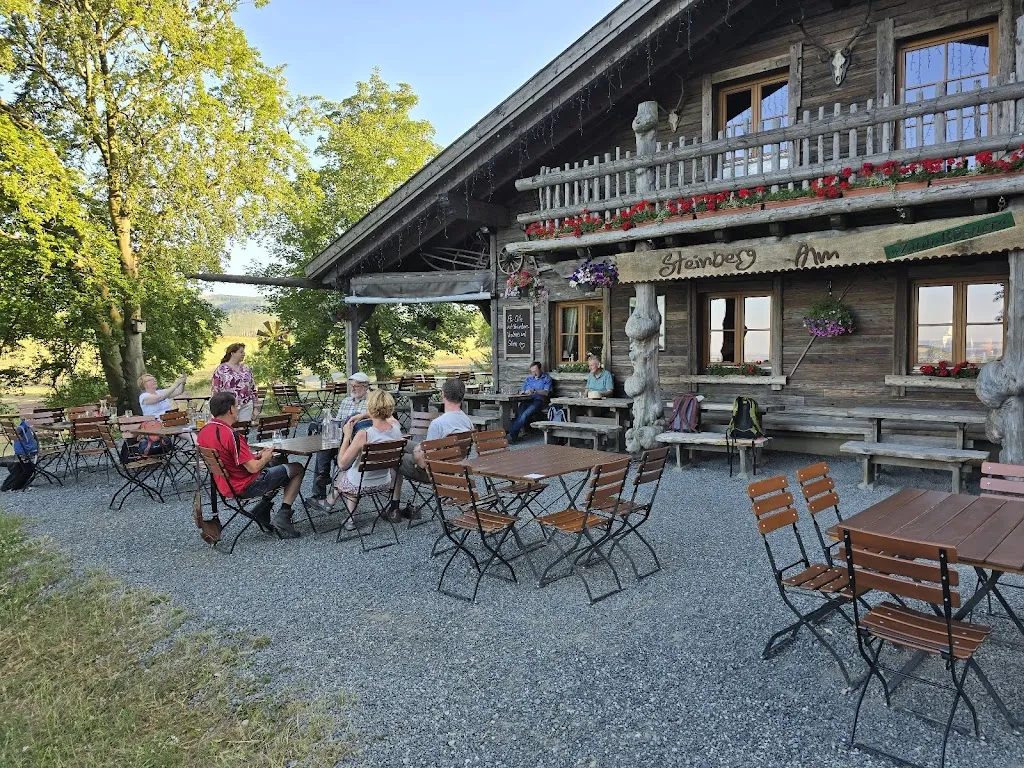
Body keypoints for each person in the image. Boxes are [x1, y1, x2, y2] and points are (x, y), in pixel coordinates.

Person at [197, 392, 305, 539]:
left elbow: (230, 459)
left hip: (224, 485)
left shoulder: (204, 431)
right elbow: (253, 468)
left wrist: (256, 456)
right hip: (245, 486)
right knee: (297, 468)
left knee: (279, 461)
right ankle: (284, 514)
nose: (238, 409)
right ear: (230, 410)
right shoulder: (231, 434)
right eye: (236, 406)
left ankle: (263, 507)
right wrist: (265, 457)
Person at [315, 388, 403, 529]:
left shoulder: (364, 434)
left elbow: (342, 463)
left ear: (370, 407)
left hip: (360, 484)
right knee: (357, 470)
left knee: (347, 471)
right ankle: (345, 515)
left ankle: (333, 504)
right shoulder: (396, 428)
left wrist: (347, 436)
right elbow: (389, 417)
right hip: (384, 482)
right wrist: (363, 415)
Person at [394, 377, 473, 517]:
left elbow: (424, 462)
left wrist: (418, 451)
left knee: (394, 455)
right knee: (403, 443)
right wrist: (420, 447)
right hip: (453, 466)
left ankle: (394, 507)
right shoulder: (467, 422)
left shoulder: (438, 424)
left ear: (443, 395)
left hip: (433, 472)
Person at [310, 371, 372, 499]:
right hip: (341, 437)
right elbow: (337, 421)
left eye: (357, 386)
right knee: (325, 443)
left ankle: (323, 484)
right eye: (351, 386)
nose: (353, 389)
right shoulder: (346, 401)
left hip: (357, 441)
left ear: (366, 387)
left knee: (325, 447)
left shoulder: (371, 402)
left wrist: (361, 417)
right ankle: (323, 479)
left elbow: (378, 416)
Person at [211, 343, 258, 421]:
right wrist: (216, 410)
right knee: (229, 431)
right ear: (232, 353)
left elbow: (253, 389)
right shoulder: (221, 370)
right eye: (241, 352)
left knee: (244, 431)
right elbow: (215, 390)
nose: (244, 354)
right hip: (228, 408)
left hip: (246, 406)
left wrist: (255, 408)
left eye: (244, 352)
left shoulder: (246, 369)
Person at [507, 361, 552, 441]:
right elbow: (522, 391)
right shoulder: (528, 379)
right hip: (526, 400)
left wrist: (535, 391)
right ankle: (514, 436)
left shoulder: (546, 378)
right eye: (532, 372)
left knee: (524, 415)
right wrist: (525, 392)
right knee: (519, 414)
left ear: (540, 369)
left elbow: (546, 392)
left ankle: (511, 434)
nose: (534, 373)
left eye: (535, 371)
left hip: (538, 401)